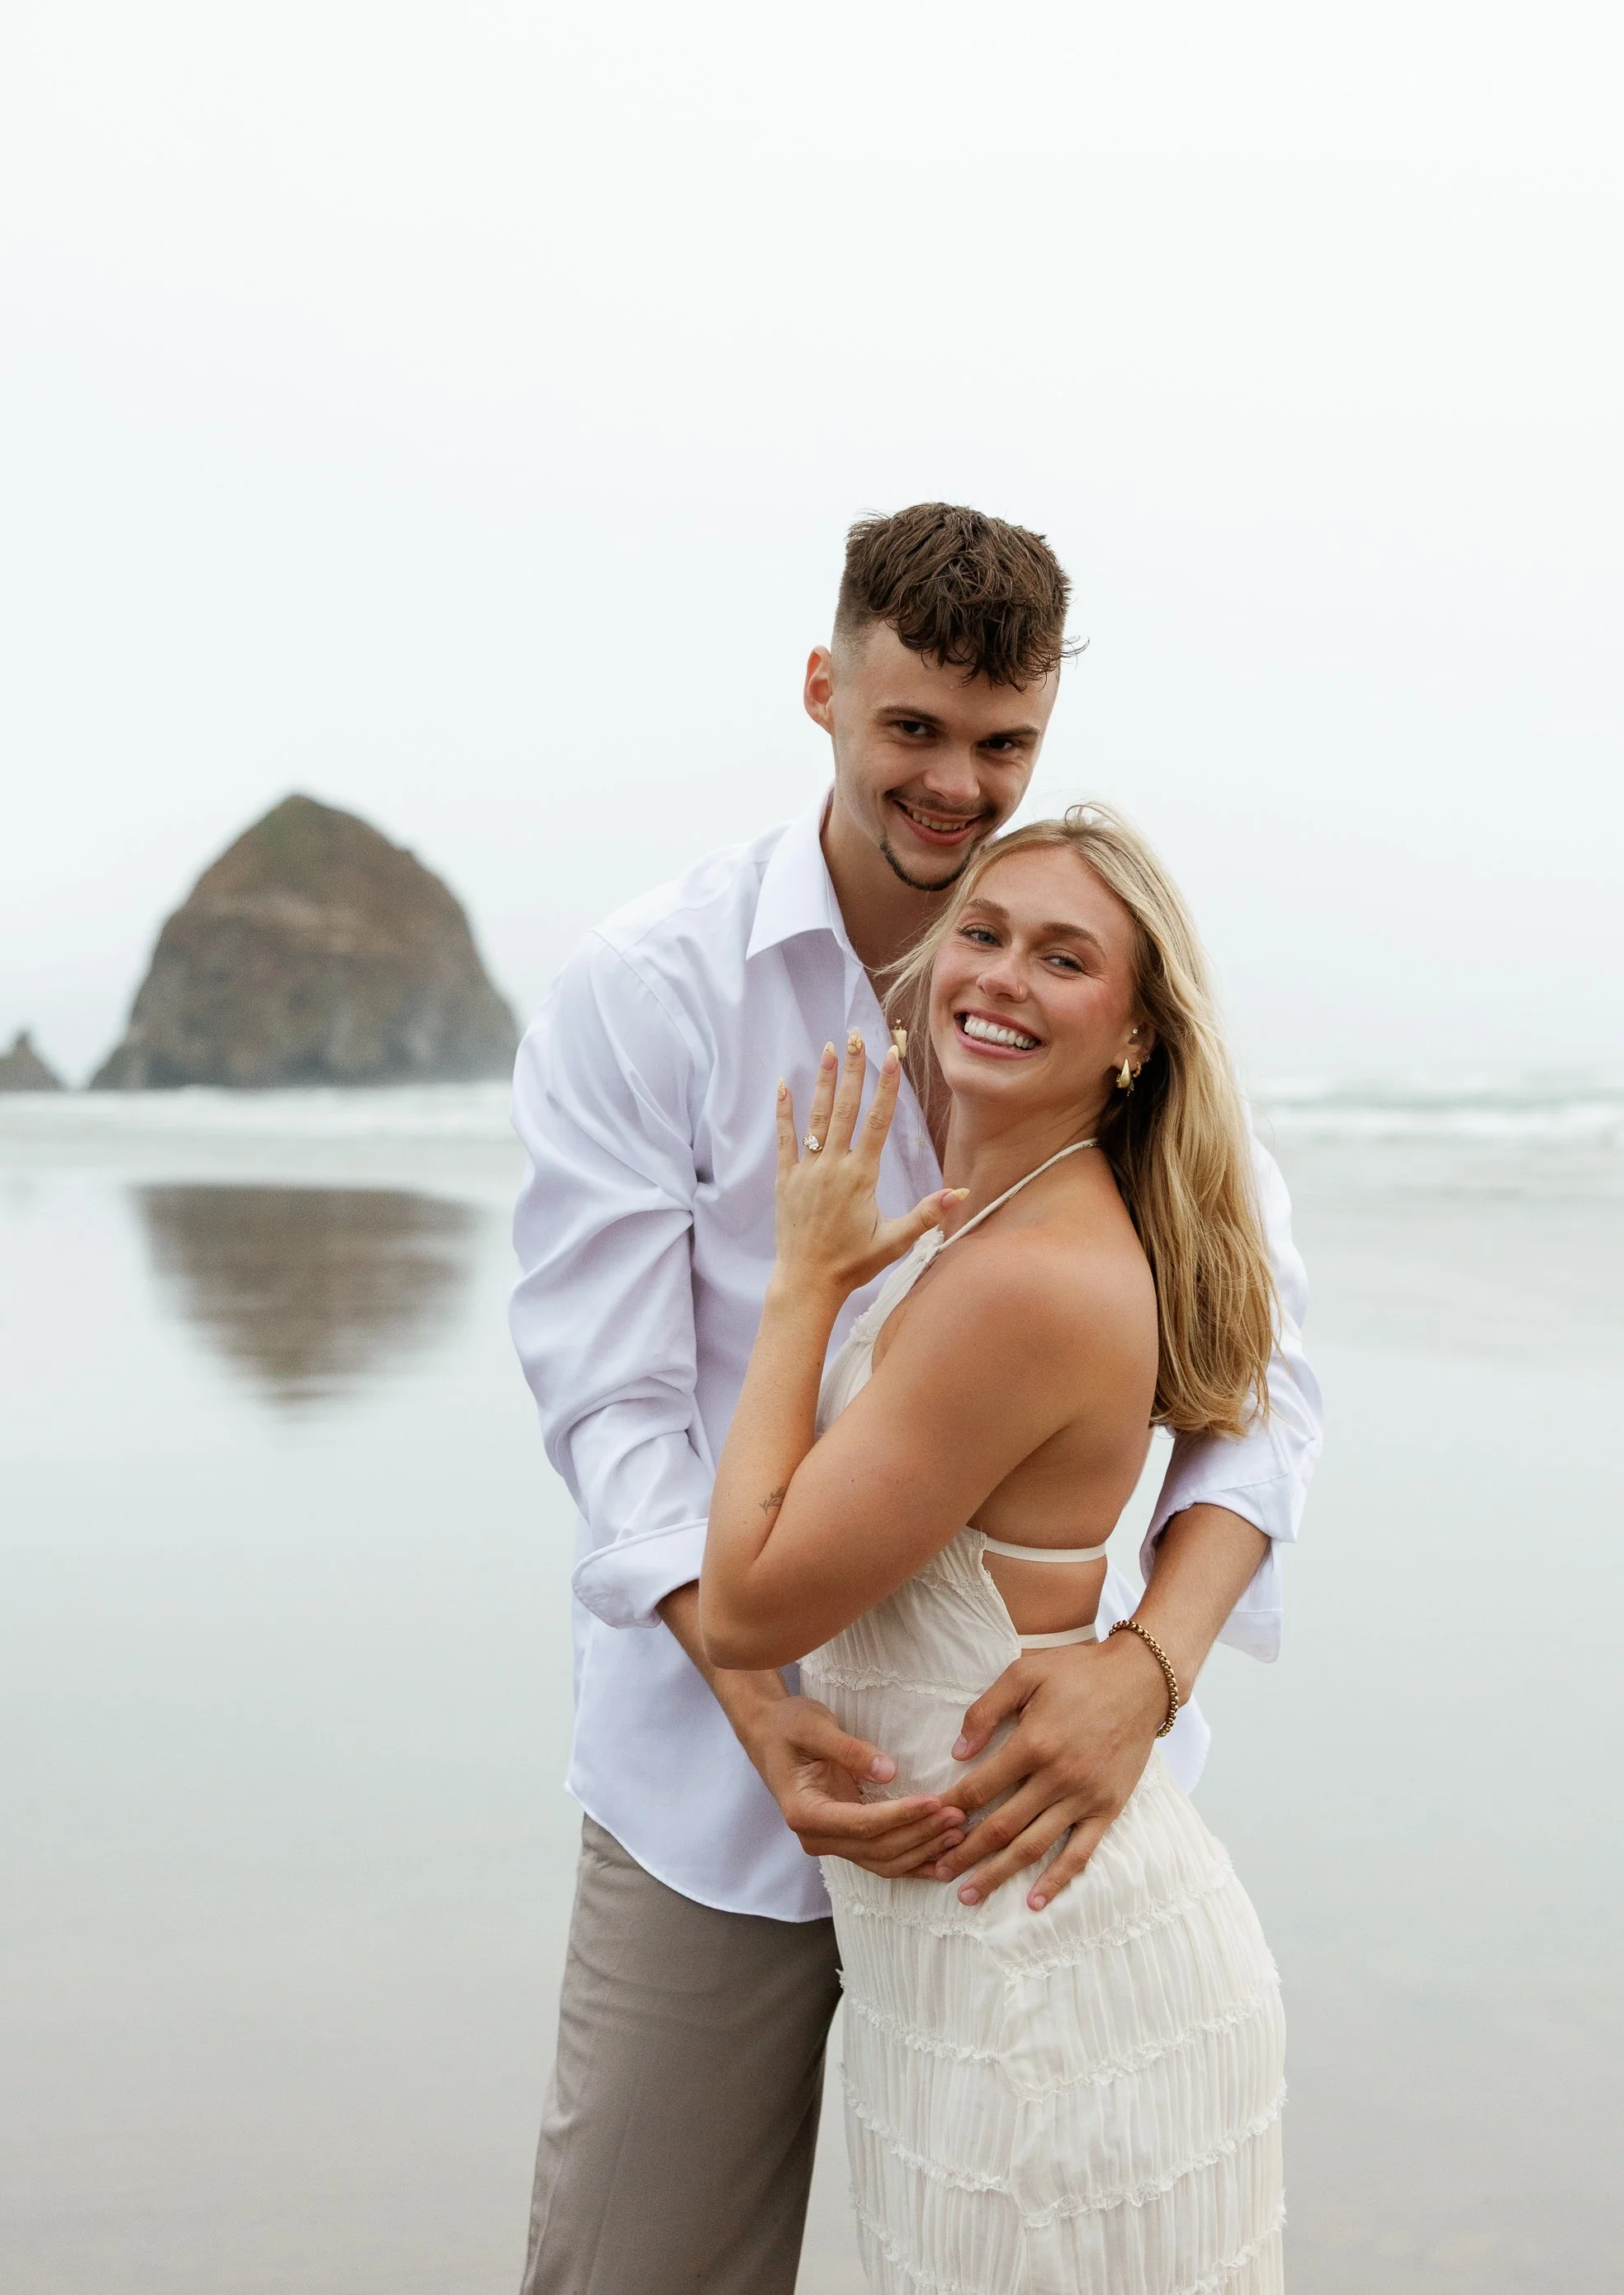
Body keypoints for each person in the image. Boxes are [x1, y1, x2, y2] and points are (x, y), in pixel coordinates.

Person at [509, 504, 1319, 2294]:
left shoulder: (1097, 1007)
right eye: (915, 731)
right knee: (634, 2265)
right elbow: (609, 1391)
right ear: (825, 691)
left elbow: (1266, 1384)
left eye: (1003, 742)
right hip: (713, 1781)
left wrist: (1148, 1664)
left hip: (1025, 1808)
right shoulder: (654, 988)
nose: (956, 786)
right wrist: (742, 1691)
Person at [701, 812, 1286, 2292]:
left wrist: (802, 1287)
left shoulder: (1024, 1279)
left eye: (1064, 957)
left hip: (1044, 1972)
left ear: (1137, 1034)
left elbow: (750, 1603)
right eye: (984, 932)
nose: (1004, 977)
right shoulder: (1004, 1231)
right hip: (982, 1938)